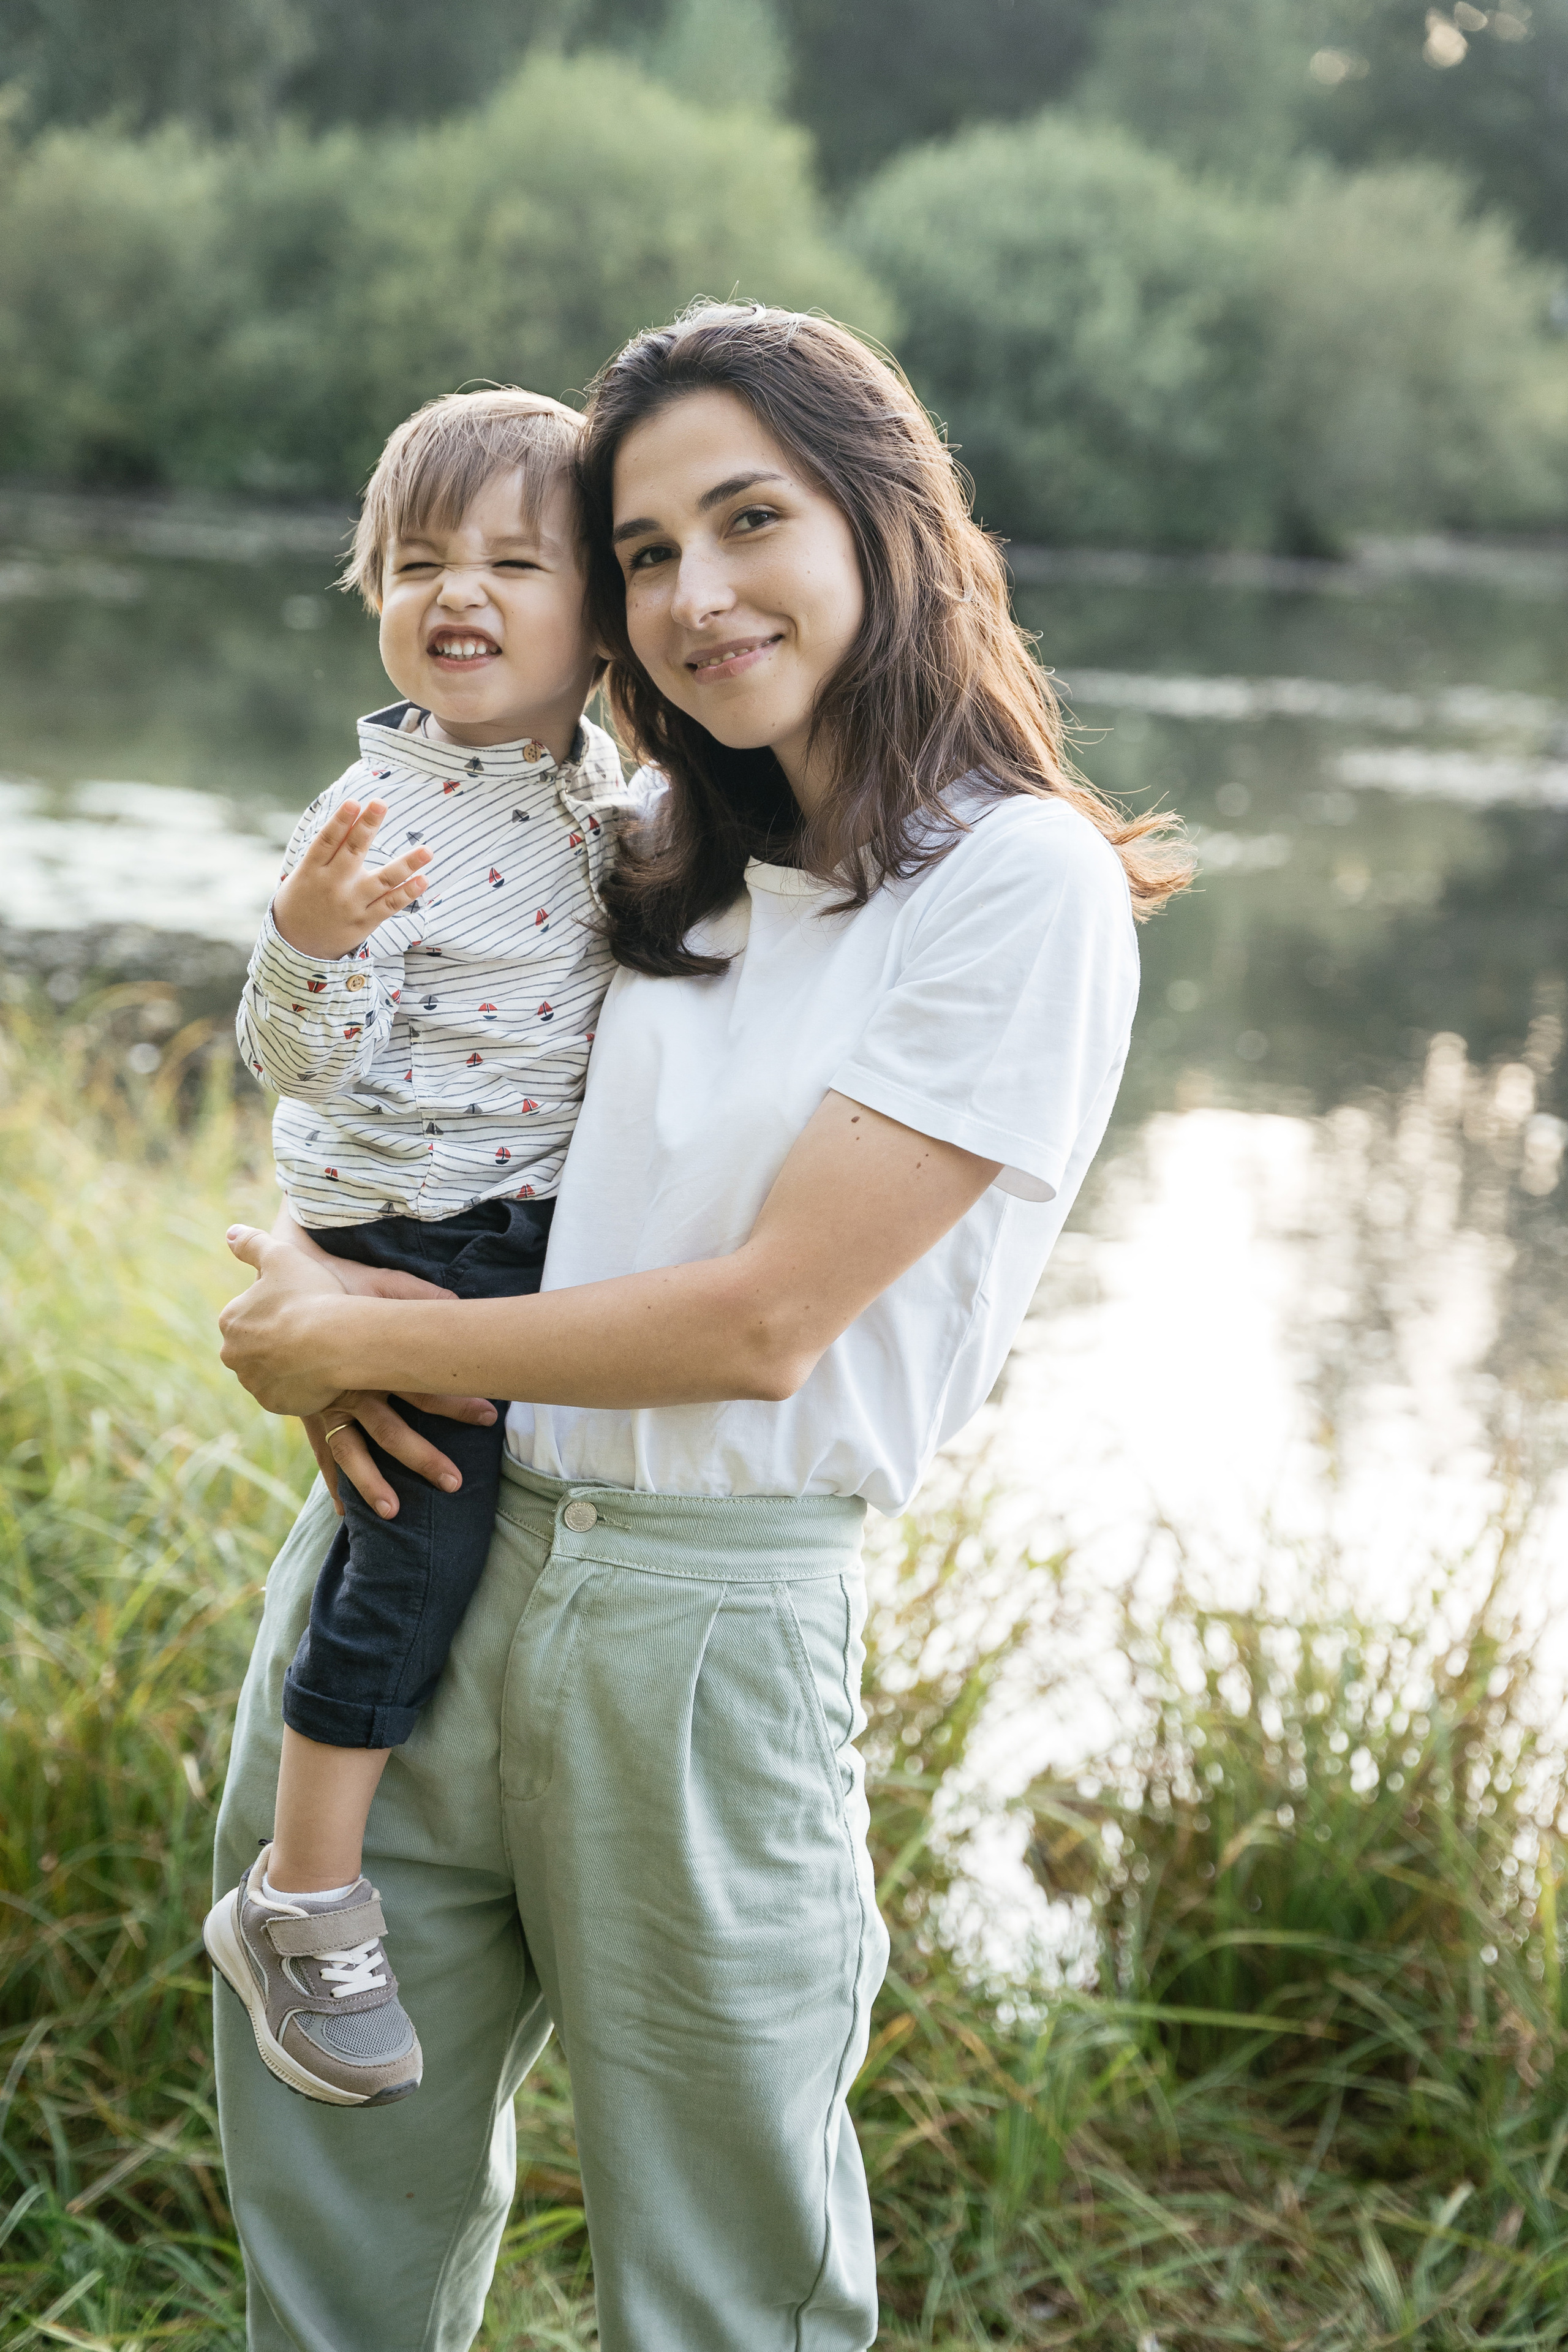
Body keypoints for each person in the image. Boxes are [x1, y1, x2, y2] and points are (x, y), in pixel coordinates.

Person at [212, 303, 1189, 2352]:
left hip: (700, 1636)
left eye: (748, 519)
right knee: (336, 2245)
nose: (695, 593)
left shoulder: (1014, 888)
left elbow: (762, 1326)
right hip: (427, 1547)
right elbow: (424, 1139)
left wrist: (358, 1348)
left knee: (723, 2286)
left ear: (888, 521)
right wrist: (337, 1301)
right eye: (644, 552)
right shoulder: (641, 861)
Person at [205, 386, 641, 2110]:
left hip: (529, 1220)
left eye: (514, 561)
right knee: (416, 1536)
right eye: (416, 562)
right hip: (419, 1230)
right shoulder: (375, 819)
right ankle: (303, 1892)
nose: (458, 591)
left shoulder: (596, 786)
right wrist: (305, 938)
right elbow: (297, 1064)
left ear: (597, 610)